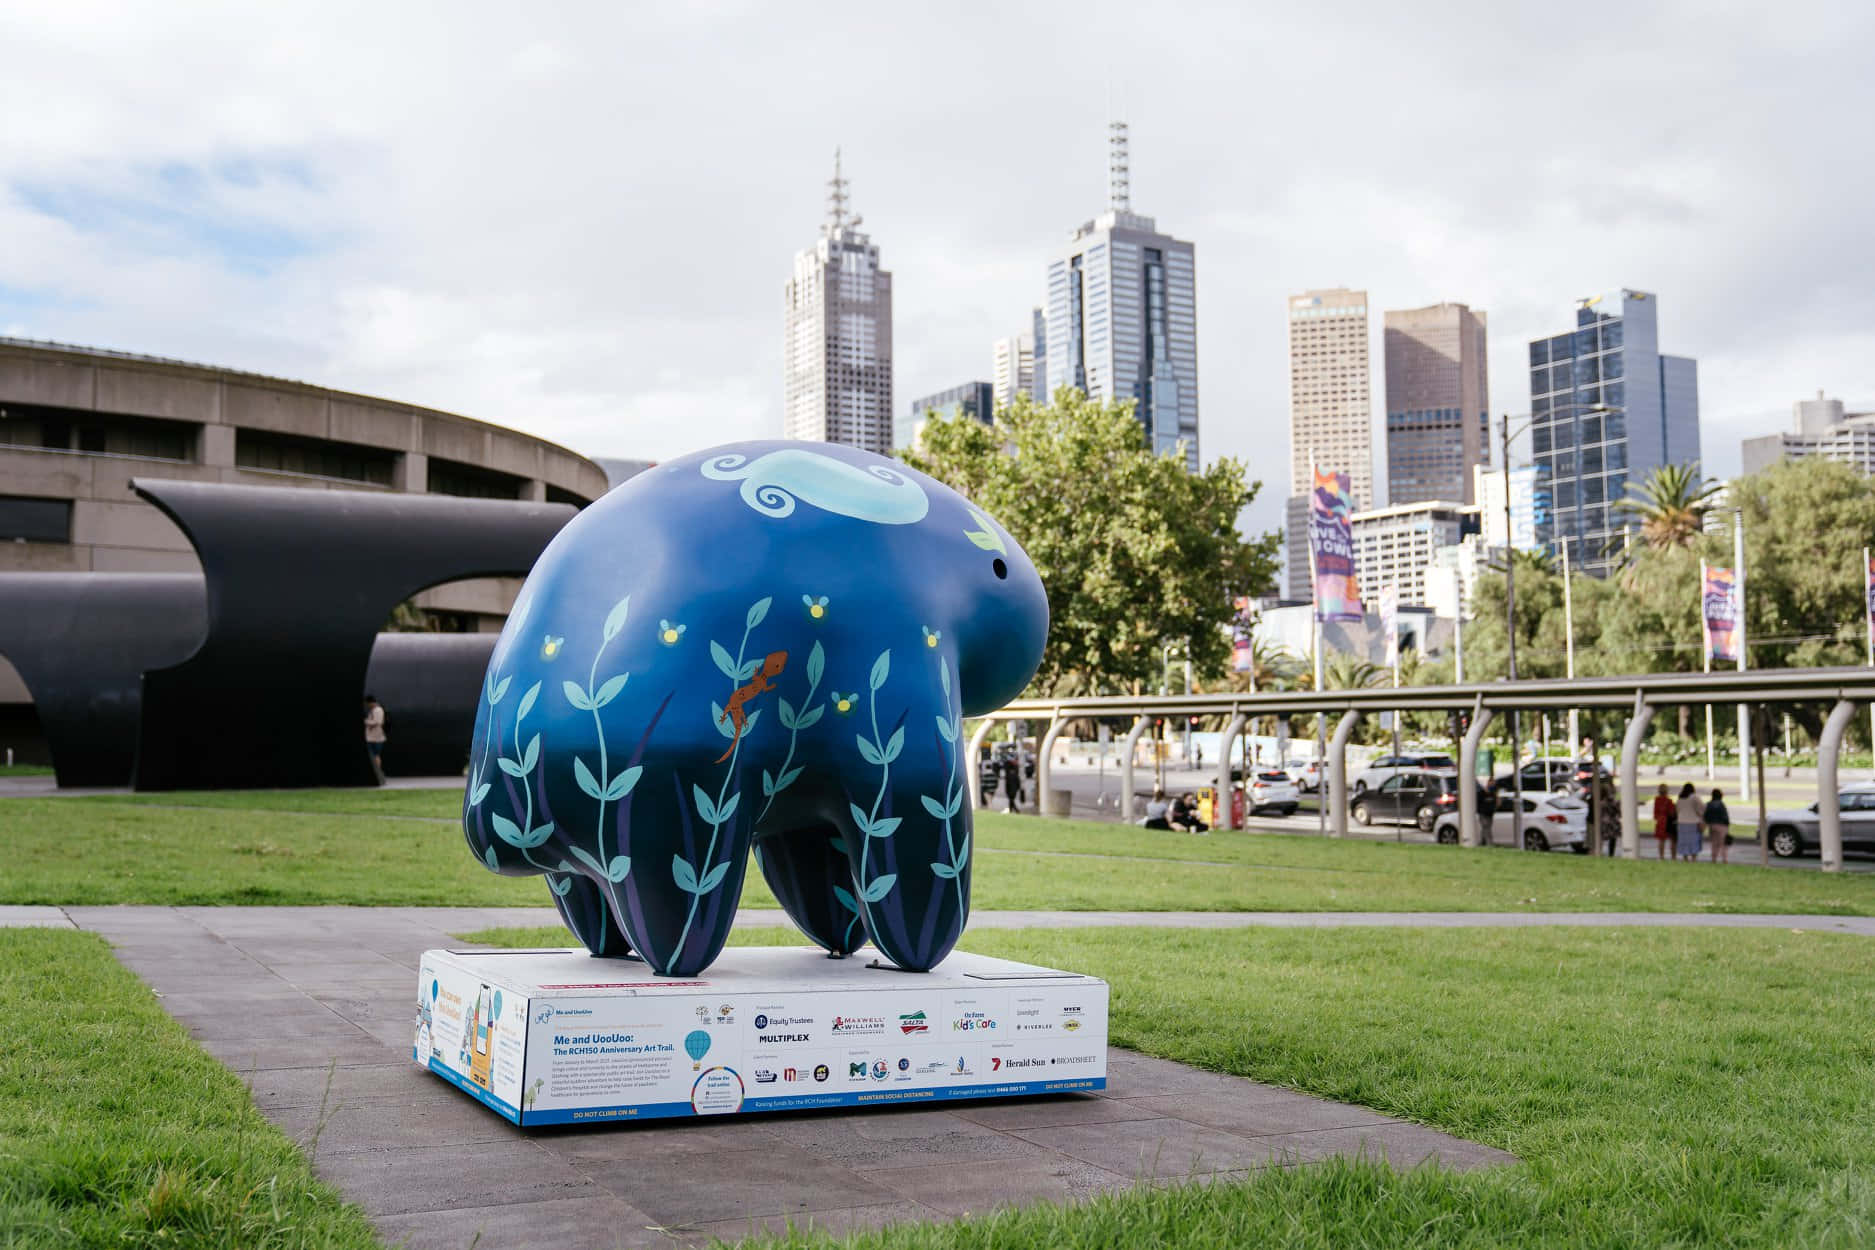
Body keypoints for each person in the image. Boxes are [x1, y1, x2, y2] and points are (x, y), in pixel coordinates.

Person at [1674, 782, 1704, 862]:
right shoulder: (1695, 798)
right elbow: (1701, 809)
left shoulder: (1680, 798)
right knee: (1694, 841)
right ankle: (1694, 858)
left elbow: (1677, 810)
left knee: (1684, 841)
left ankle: (1685, 858)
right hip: (1693, 823)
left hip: (1681, 822)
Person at [363, 694, 387, 782]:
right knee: (374, 755)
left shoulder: (378, 710)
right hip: (371, 737)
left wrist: (366, 721)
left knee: (376, 755)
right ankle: (377, 772)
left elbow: (378, 722)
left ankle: (378, 772)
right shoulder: (373, 710)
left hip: (376, 737)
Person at [1705, 788, 1731, 865]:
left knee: (1714, 844)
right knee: (1723, 844)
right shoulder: (1721, 804)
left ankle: (1714, 859)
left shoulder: (1709, 804)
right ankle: (1724, 860)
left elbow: (1706, 816)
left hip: (1712, 825)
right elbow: (1725, 816)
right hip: (1722, 825)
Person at [1652, 784, 1675, 861]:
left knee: (1661, 841)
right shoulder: (1669, 801)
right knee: (1672, 840)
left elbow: (1655, 813)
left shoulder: (1657, 800)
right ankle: (1673, 857)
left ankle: (1661, 856)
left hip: (1659, 822)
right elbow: (1671, 812)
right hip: (1667, 822)